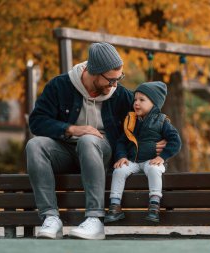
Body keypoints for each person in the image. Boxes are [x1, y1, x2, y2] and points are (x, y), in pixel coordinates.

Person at [26, 42, 133, 240]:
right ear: (94, 72)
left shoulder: (121, 95)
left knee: (88, 141)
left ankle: (95, 219)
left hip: (102, 152)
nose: (115, 85)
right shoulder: (60, 86)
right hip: (66, 151)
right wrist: (70, 129)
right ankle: (50, 218)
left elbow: (145, 122)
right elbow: (36, 121)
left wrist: (159, 143)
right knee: (35, 145)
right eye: (110, 80)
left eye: (119, 79)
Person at [104, 81, 182, 223]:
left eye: (142, 100)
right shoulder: (131, 120)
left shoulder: (162, 121)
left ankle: (154, 204)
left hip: (151, 161)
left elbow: (175, 141)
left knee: (154, 169)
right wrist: (121, 156)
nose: (136, 103)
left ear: (154, 103)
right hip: (133, 161)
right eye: (135, 99)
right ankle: (115, 205)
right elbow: (122, 141)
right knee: (119, 170)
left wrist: (162, 157)